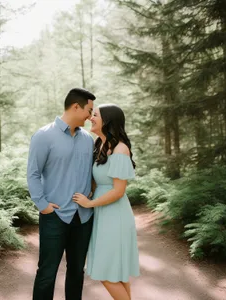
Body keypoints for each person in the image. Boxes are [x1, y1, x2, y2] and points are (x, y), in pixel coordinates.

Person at [27, 88, 96, 300]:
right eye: (89, 110)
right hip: (54, 216)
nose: (91, 116)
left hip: (83, 217)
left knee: (76, 272)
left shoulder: (88, 140)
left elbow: (93, 172)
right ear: (76, 106)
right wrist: (43, 205)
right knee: (47, 273)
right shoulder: (44, 135)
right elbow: (33, 173)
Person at [73, 103, 140, 300]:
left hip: (115, 216)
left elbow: (119, 191)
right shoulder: (100, 145)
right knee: (116, 273)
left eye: (95, 115)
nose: (91, 118)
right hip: (103, 214)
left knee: (106, 272)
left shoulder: (120, 149)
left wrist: (89, 203)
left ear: (108, 121)